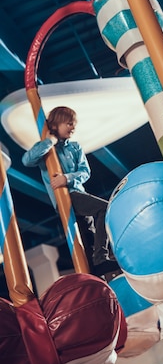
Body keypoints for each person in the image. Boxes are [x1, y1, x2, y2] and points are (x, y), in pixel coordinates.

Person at [22, 106, 120, 277]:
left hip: (78, 194)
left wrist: (66, 178)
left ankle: (96, 268)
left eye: (74, 125)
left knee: (88, 236)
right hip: (65, 198)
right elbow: (26, 160)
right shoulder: (47, 149)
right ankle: (101, 257)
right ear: (56, 124)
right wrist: (49, 142)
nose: (72, 128)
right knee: (105, 208)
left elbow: (85, 172)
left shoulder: (75, 147)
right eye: (68, 124)